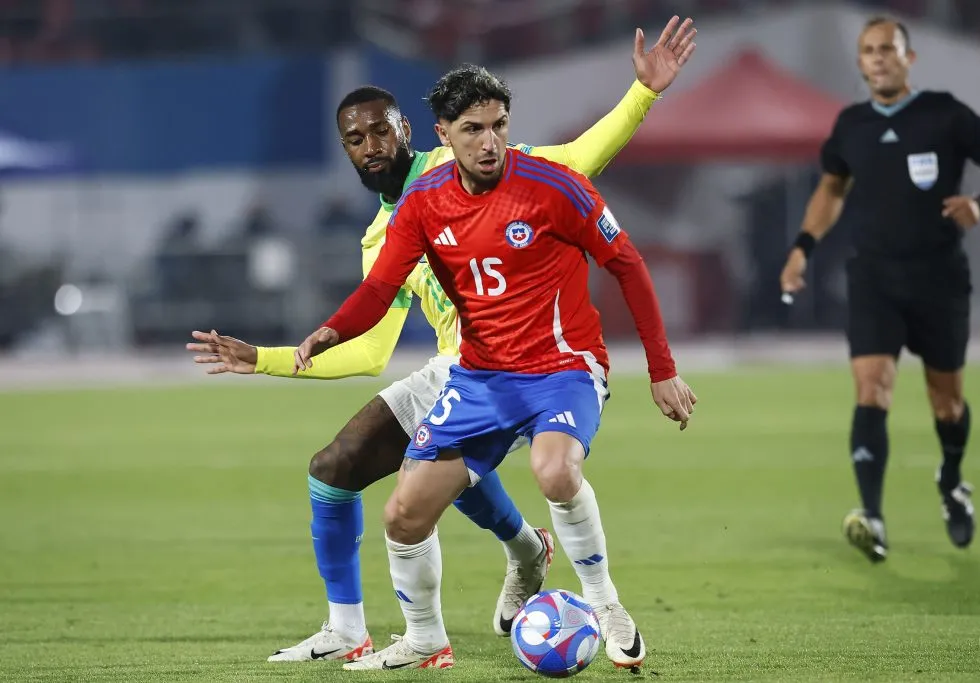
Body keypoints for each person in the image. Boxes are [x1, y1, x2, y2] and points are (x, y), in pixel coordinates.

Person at [187, 16, 698, 661]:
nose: (371, 146)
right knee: (352, 478)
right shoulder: (396, 224)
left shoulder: (510, 171)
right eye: (356, 139)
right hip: (468, 372)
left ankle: (599, 598)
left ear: (411, 132)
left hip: (549, 364)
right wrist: (277, 355)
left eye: (380, 130)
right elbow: (370, 343)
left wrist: (643, 94)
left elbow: (584, 166)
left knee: (547, 469)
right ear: (347, 150)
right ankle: (411, 620)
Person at [779, 16, 980, 563]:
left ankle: (952, 480)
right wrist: (802, 247)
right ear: (861, 62)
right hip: (874, 278)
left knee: (948, 401)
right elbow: (831, 189)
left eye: (888, 49)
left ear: (909, 58)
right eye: (869, 50)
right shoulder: (851, 125)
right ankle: (874, 517)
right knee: (872, 389)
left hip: (939, 280)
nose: (879, 58)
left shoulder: (946, 114)